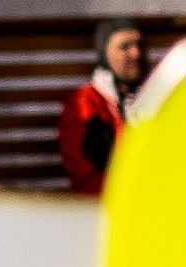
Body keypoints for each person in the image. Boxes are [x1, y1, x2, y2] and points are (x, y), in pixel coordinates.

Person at [57, 21, 147, 196]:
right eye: (124, 47)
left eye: (139, 45)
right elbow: (82, 172)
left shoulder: (159, 96)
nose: (136, 53)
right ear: (105, 54)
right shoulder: (84, 104)